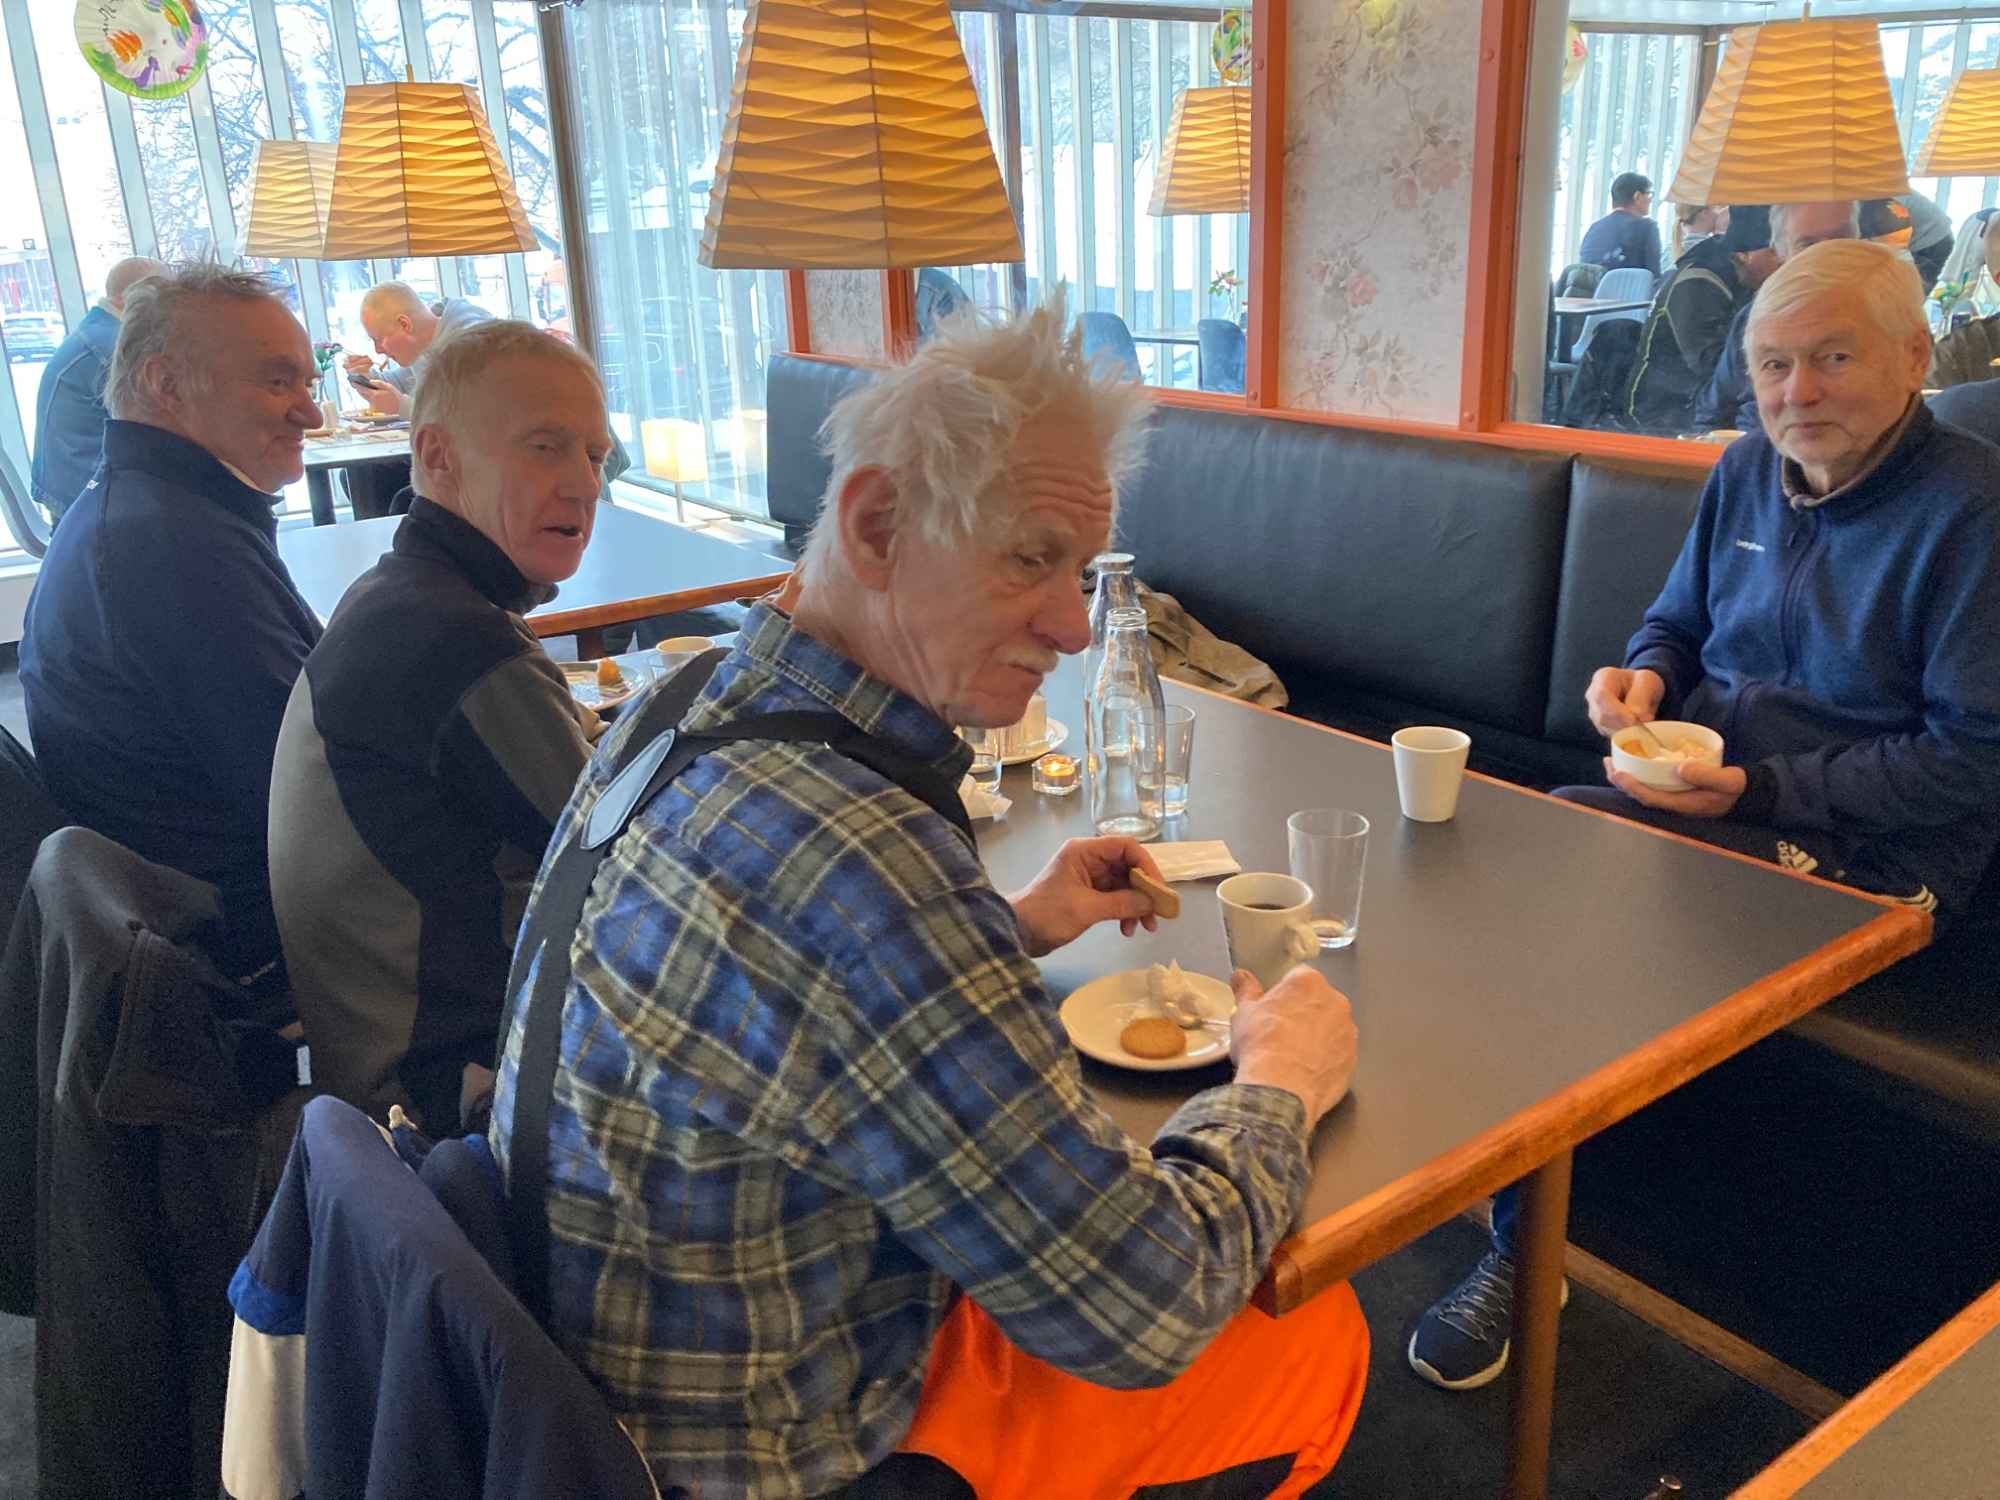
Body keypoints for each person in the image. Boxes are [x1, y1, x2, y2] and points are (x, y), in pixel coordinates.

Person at [489, 299, 1372, 1499]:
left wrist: (1004, 930)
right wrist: (1277, 1081)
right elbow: (1146, 1305)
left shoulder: (674, 708)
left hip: (583, 1387)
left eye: (1080, 571)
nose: (1072, 626)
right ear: (874, 525)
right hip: (770, 1453)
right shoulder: (861, 869)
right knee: (1311, 1334)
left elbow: (777, 1004)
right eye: (1028, 559)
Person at [1410, 239, 2000, 1393]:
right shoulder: (1743, 470)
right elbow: (1673, 626)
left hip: (1882, 861)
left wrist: (1759, 790)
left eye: (1831, 358)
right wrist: (1638, 680)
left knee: (1573, 881)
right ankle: (1488, 1177)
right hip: (1721, 807)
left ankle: (1524, 1249)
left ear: (1913, 356)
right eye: (1772, 364)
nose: (1796, 391)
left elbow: (1969, 761)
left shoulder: (1972, 515)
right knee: (1525, 842)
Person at [268, 321, 612, 1134]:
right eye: (544, 448)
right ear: (438, 456)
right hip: (439, 1101)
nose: (583, 484)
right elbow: (632, 859)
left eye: (596, 455)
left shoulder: (399, 591)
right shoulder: (461, 641)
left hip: (357, 1053)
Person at [18, 265, 324, 986]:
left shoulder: (144, 513)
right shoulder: (172, 549)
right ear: (166, 385)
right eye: (278, 382)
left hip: (209, 903)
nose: (311, 414)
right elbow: (320, 794)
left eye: (309, 383)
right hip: (250, 944)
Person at [1694, 201, 1859, 434]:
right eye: (1807, 244)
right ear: (1780, 253)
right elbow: (1714, 412)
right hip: (1758, 446)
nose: (1824, 253)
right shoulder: (1756, 317)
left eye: (1838, 239)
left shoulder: (1887, 315)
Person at [339, 282, 495, 518]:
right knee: (361, 476)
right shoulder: (430, 342)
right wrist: (367, 379)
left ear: (405, 324)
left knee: (379, 486)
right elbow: (402, 383)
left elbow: (469, 418)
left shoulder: (470, 344)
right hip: (455, 457)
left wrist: (400, 405)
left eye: (379, 339)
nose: (378, 350)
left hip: (484, 466)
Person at [28, 256, 164, 523]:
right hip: (84, 502)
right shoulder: (112, 347)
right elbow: (156, 425)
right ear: (137, 297)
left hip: (71, 487)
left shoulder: (99, 331)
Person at [1623, 204, 1778, 433]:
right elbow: (1714, 367)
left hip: (1706, 403)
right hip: (1666, 413)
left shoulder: (1745, 281)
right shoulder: (1698, 283)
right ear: (1743, 255)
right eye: (1774, 251)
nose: (1784, 260)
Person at [1860, 193, 1954, 292]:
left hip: (1933, 242)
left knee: (1911, 291)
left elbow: (1885, 249)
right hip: (1926, 235)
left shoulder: (1886, 203)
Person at [1579, 172, 1663, 273]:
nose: (1650, 200)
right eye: (1649, 194)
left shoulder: (1594, 228)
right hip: (1629, 283)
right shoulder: (1647, 228)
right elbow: (1653, 276)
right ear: (1637, 196)